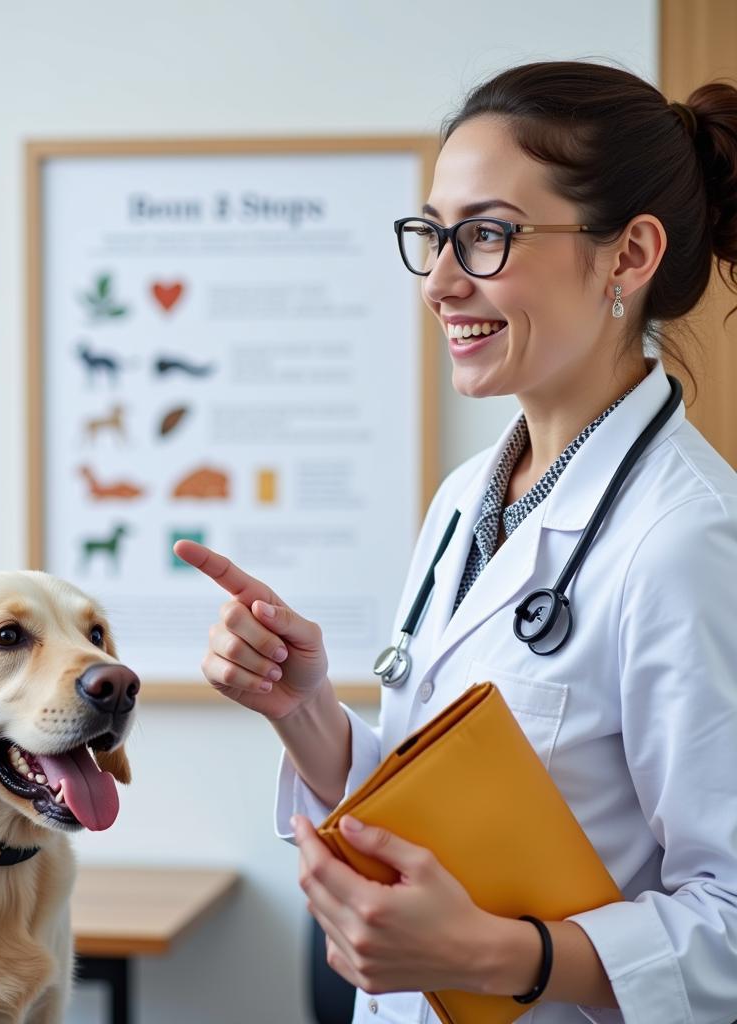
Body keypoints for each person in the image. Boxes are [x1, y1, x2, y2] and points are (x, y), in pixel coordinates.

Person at [175, 61, 737, 1023]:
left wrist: (496, 956)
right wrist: (304, 713)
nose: (438, 281)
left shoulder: (688, 540)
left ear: (629, 255)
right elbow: (445, 804)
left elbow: (729, 925)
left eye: (484, 236)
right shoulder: (463, 501)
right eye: (433, 236)